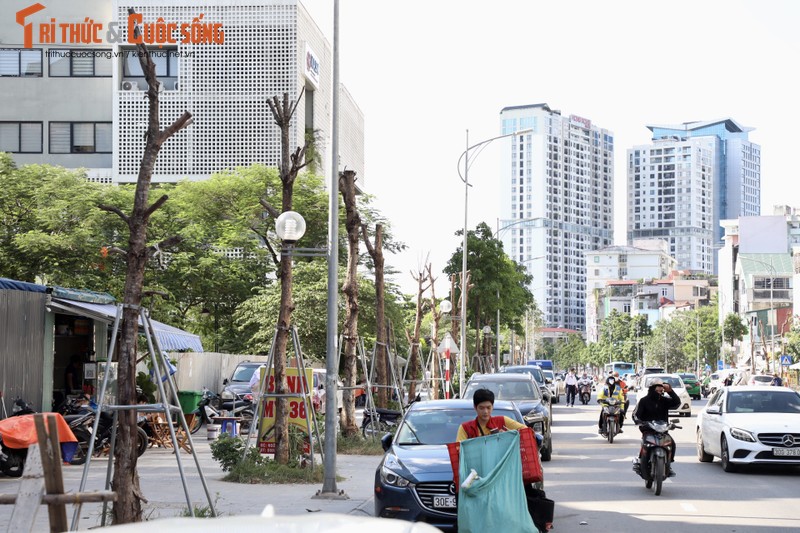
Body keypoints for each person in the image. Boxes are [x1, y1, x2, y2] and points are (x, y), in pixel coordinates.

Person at [633, 377, 681, 476]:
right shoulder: (644, 401)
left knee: (672, 443)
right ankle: (640, 461)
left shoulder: (664, 400)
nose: (660, 389)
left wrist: (671, 391)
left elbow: (677, 403)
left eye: (661, 387)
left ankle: (668, 464)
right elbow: (636, 414)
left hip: (662, 430)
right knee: (645, 444)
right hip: (648, 430)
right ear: (652, 388)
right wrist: (639, 421)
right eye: (657, 387)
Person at [456, 388, 527, 441]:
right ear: (475, 407)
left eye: (488, 407)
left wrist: (508, 435)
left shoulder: (503, 421)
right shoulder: (465, 428)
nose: (485, 411)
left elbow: (527, 432)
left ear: (492, 406)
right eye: (481, 408)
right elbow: (459, 451)